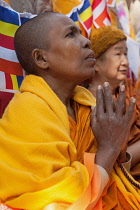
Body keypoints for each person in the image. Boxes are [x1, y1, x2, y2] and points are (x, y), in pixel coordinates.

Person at [0, 12, 140, 210]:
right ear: (41, 58)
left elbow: (111, 172)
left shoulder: (85, 104)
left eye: (81, 33)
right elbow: (55, 198)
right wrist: (109, 148)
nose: (86, 42)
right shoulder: (27, 110)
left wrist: (117, 149)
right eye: (70, 35)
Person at [89, 25, 140, 182]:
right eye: (118, 54)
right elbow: (114, 160)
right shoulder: (89, 101)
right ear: (96, 63)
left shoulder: (129, 90)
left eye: (126, 54)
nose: (125, 61)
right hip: (119, 179)